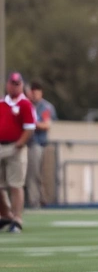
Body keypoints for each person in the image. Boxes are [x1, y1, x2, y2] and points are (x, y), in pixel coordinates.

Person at [0, 72, 36, 232]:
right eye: (12, 83)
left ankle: (17, 218)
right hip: (1, 146)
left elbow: (29, 128)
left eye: (17, 83)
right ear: (7, 84)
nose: (14, 86)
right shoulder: (2, 103)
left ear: (21, 85)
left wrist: (19, 145)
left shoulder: (25, 104)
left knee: (15, 185)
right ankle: (6, 214)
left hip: (15, 147)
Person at [26, 81, 55, 209]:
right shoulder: (26, 104)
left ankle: (35, 201)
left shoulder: (45, 107)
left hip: (38, 143)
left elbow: (46, 125)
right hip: (25, 143)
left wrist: (31, 124)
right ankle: (35, 199)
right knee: (31, 174)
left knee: (35, 174)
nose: (34, 95)